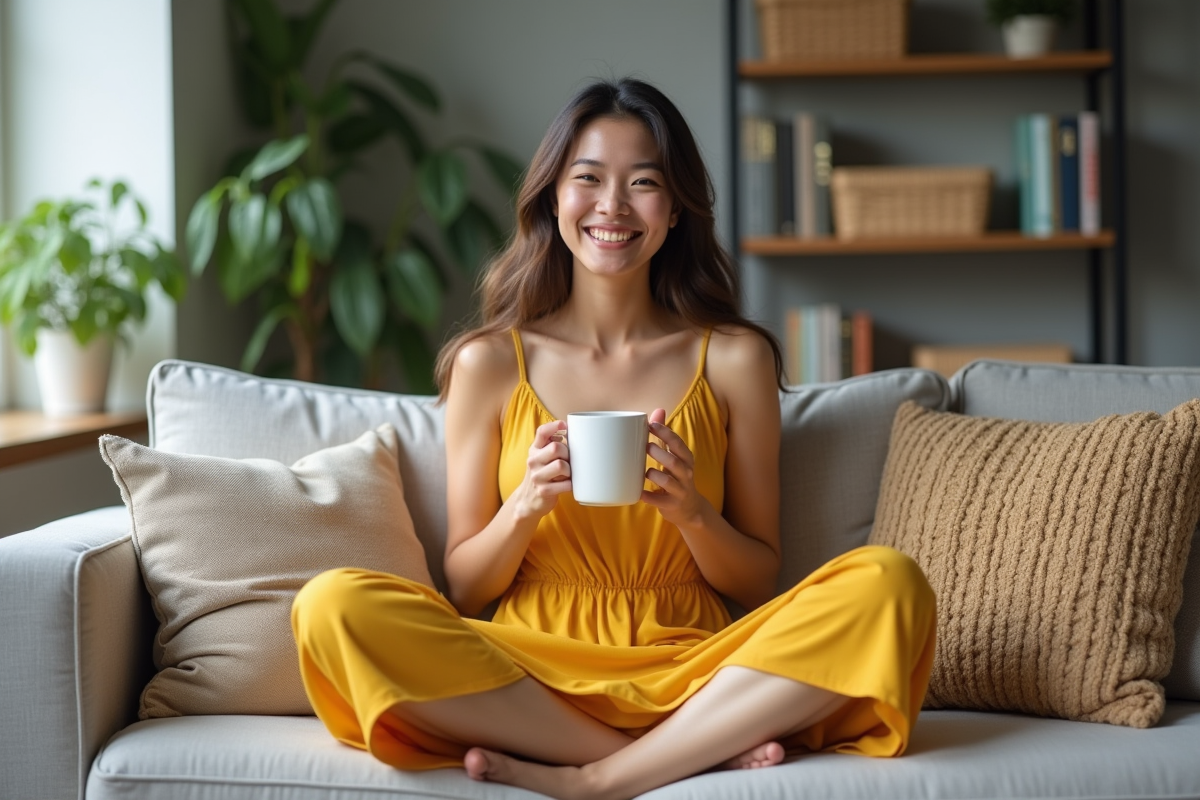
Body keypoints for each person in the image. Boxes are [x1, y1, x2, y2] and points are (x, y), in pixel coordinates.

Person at [291, 77, 937, 800]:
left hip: (695, 670)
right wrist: (525, 505)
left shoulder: (733, 358)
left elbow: (759, 580)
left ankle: (600, 777)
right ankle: (679, 756)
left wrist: (693, 513)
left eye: (644, 183)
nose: (613, 206)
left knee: (889, 585)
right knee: (332, 605)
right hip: (529, 673)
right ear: (552, 197)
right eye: (589, 178)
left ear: (676, 210)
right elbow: (466, 589)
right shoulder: (489, 363)